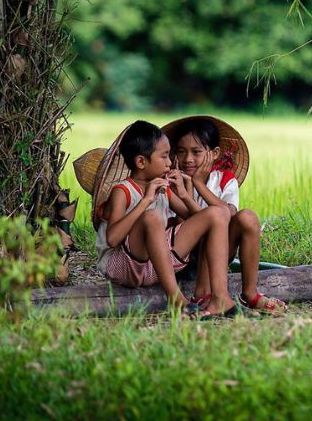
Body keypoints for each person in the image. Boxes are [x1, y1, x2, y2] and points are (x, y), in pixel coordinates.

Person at [95, 119, 240, 319]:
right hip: (124, 267)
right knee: (152, 217)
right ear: (141, 162)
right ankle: (176, 298)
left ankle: (219, 297)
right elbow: (112, 239)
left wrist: (184, 193)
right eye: (164, 156)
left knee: (217, 213)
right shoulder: (122, 191)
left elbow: (199, 221)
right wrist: (145, 201)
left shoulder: (163, 188)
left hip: (158, 265)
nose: (170, 163)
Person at [167, 116, 287, 315]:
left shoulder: (224, 180)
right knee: (210, 225)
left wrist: (198, 184)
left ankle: (250, 294)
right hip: (182, 256)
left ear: (214, 154)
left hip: (219, 252)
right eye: (181, 151)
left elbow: (228, 213)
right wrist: (185, 190)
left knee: (247, 217)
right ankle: (203, 293)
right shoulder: (171, 181)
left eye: (196, 152)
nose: (188, 159)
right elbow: (182, 224)